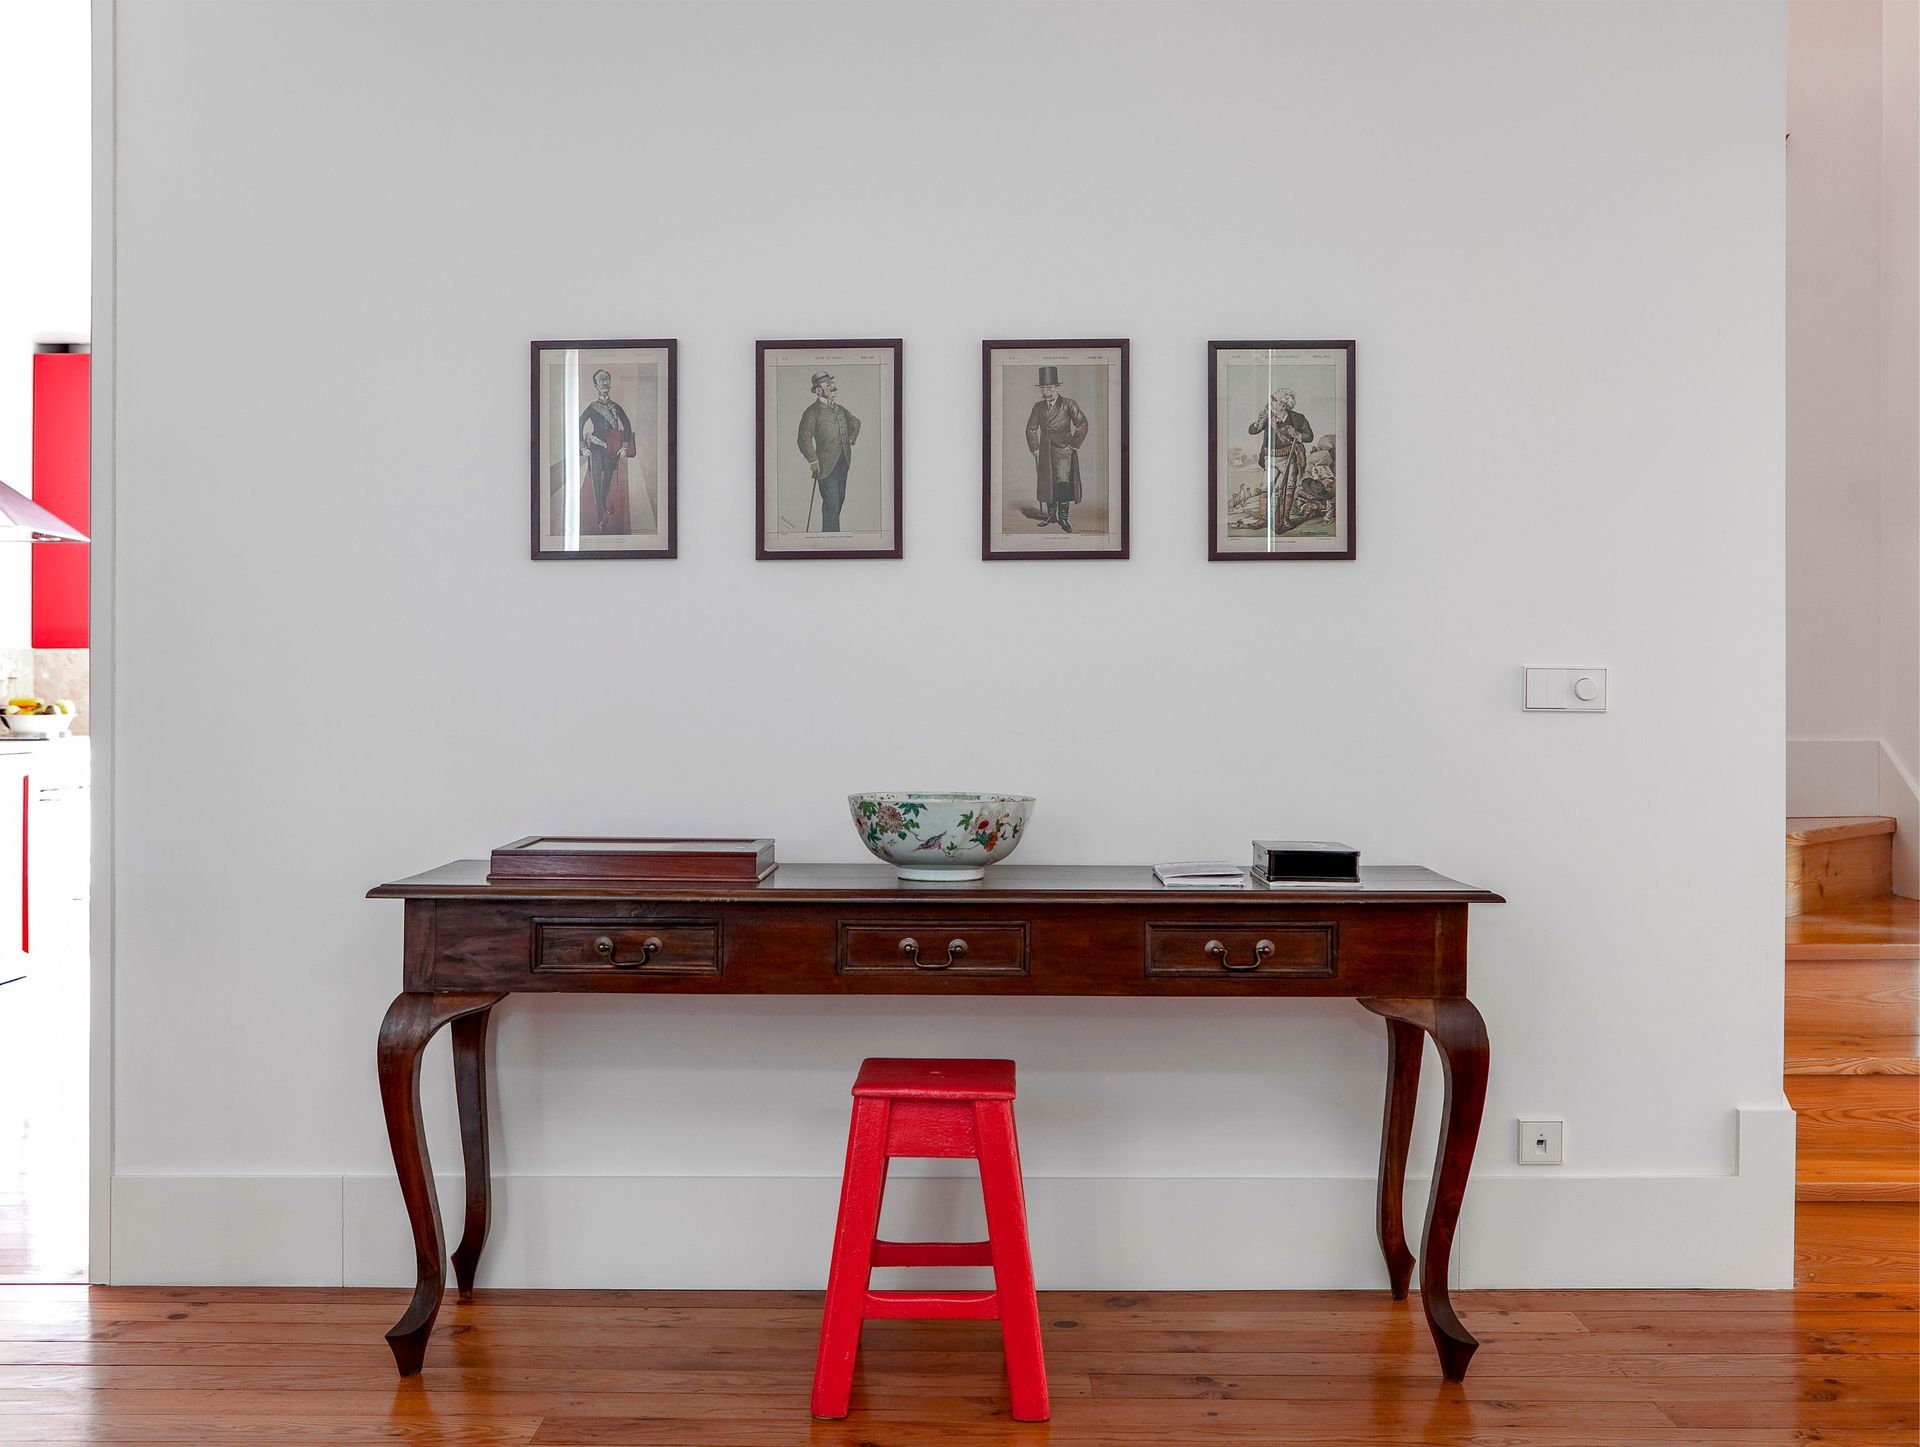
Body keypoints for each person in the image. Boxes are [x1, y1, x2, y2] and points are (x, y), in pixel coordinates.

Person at [1024, 366, 1089, 532]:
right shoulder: (1038, 407)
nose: (1046, 392)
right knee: (1048, 483)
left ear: (1057, 388)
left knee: (1062, 484)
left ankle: (1063, 518)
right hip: (1045, 450)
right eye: (1043, 388)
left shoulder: (1068, 404)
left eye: (1050, 388)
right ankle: (1051, 515)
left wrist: (1073, 445)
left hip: (1063, 451)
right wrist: (1035, 449)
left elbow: (1082, 424)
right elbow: (1031, 428)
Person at [795, 371, 861, 532]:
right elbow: (803, 439)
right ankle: (831, 539)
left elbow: (856, 422)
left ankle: (830, 534)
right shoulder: (812, 412)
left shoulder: (841, 409)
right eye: (829, 385)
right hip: (825, 465)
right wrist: (813, 460)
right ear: (818, 390)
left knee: (840, 499)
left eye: (833, 384)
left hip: (844, 461)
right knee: (832, 502)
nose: (833, 387)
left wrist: (851, 438)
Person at [1247, 388, 1313, 537]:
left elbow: (1309, 436)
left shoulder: (1297, 418)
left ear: (1284, 405)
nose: (1271, 403)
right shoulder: (1268, 417)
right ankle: (1263, 519)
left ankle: (1284, 519)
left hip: (1288, 458)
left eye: (1274, 401)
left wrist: (1298, 435)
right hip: (1269, 458)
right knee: (1265, 488)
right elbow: (1252, 430)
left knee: (1288, 489)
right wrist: (1259, 419)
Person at [578, 369, 636, 535]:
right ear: (595, 385)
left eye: (606, 380)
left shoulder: (616, 407)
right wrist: (583, 446)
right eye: (600, 381)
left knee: (607, 481)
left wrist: (624, 446)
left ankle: (602, 505)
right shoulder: (592, 407)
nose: (604, 383)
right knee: (596, 482)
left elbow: (628, 425)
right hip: (596, 448)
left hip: (612, 448)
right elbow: (579, 425)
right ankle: (599, 517)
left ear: (609, 384)